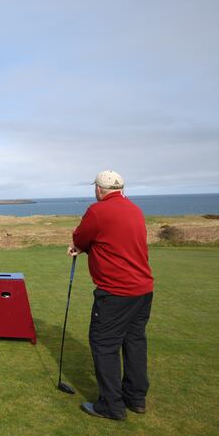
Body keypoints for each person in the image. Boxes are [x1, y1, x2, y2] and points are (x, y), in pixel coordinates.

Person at [67, 170, 154, 420]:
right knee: (134, 342)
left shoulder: (98, 211)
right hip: (143, 290)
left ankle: (111, 405)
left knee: (104, 344)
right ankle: (136, 398)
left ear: (98, 189)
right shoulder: (134, 209)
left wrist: (79, 246)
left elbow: (80, 237)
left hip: (116, 292)